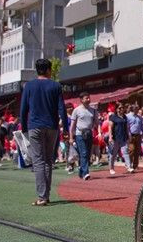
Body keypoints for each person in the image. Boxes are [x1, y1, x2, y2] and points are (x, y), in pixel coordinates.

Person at [19, 58, 68, 206]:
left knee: (38, 161)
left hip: (34, 126)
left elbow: (23, 109)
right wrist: (65, 127)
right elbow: (62, 108)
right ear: (48, 70)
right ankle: (45, 196)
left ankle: (42, 196)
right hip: (52, 126)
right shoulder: (55, 86)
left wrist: (23, 128)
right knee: (47, 161)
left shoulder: (29, 86)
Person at [69, 91, 98, 180]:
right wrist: (71, 137)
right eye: (86, 98)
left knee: (87, 154)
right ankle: (86, 173)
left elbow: (96, 123)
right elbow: (72, 125)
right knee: (84, 153)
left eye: (89, 97)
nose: (88, 99)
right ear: (81, 100)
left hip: (89, 134)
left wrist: (96, 128)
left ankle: (81, 171)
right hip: (79, 134)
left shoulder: (93, 110)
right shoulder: (77, 110)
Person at [107, 103, 130, 174]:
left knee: (125, 152)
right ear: (116, 109)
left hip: (123, 137)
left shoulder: (125, 117)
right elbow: (110, 127)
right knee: (113, 154)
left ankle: (129, 167)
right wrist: (110, 137)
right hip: (115, 138)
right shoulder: (113, 117)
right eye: (119, 108)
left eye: (122, 108)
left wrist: (128, 135)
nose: (121, 109)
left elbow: (126, 127)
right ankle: (111, 168)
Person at [126, 104, 143, 173]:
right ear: (133, 109)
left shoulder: (139, 117)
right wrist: (129, 134)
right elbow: (127, 127)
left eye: (138, 109)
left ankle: (135, 165)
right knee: (131, 150)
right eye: (136, 109)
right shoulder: (128, 116)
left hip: (138, 135)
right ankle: (129, 165)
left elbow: (142, 126)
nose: (137, 110)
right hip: (131, 135)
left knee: (137, 150)